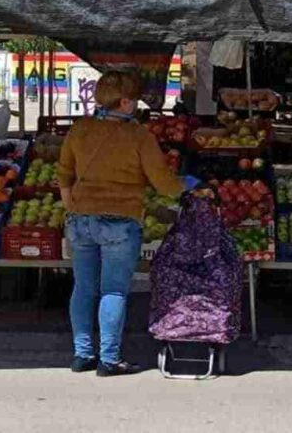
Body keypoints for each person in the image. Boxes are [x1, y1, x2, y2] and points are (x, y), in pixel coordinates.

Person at [57, 71, 184, 377]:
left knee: (84, 288)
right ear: (125, 102)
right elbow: (163, 183)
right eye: (135, 100)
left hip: (80, 220)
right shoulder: (138, 136)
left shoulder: (80, 129)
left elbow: (63, 174)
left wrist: (72, 205)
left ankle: (82, 354)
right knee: (113, 291)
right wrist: (190, 188)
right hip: (120, 222)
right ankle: (109, 359)